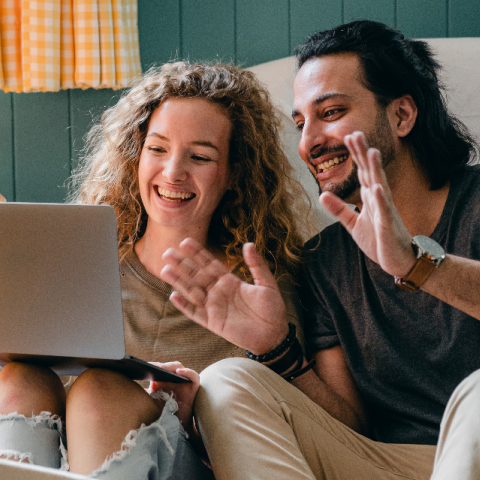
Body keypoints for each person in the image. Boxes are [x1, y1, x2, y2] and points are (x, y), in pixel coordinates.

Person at [159, 21, 480, 480]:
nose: (309, 142)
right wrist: (275, 350)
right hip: (388, 464)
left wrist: (416, 265)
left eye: (330, 112)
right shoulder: (326, 261)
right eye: (301, 123)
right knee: (227, 380)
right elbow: (349, 424)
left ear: (402, 116)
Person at [0, 61, 309, 478]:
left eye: (199, 156)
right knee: (18, 379)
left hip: (193, 464)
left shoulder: (263, 289)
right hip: (63, 461)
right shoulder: (80, 267)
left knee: (99, 392)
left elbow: (293, 438)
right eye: (157, 149)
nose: (173, 172)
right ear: (135, 156)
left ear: (235, 173)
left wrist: (190, 420)